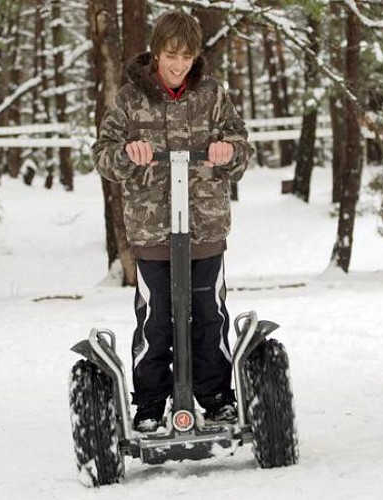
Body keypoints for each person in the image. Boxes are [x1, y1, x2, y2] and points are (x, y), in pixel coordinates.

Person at [92, 10, 251, 433]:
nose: (178, 65)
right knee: (156, 318)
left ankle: (216, 397)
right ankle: (148, 403)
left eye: (186, 56)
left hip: (205, 226)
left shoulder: (212, 95)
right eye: (170, 55)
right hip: (152, 229)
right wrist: (128, 154)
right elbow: (103, 155)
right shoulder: (130, 99)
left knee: (209, 314)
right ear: (157, 53)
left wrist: (228, 151)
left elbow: (241, 145)